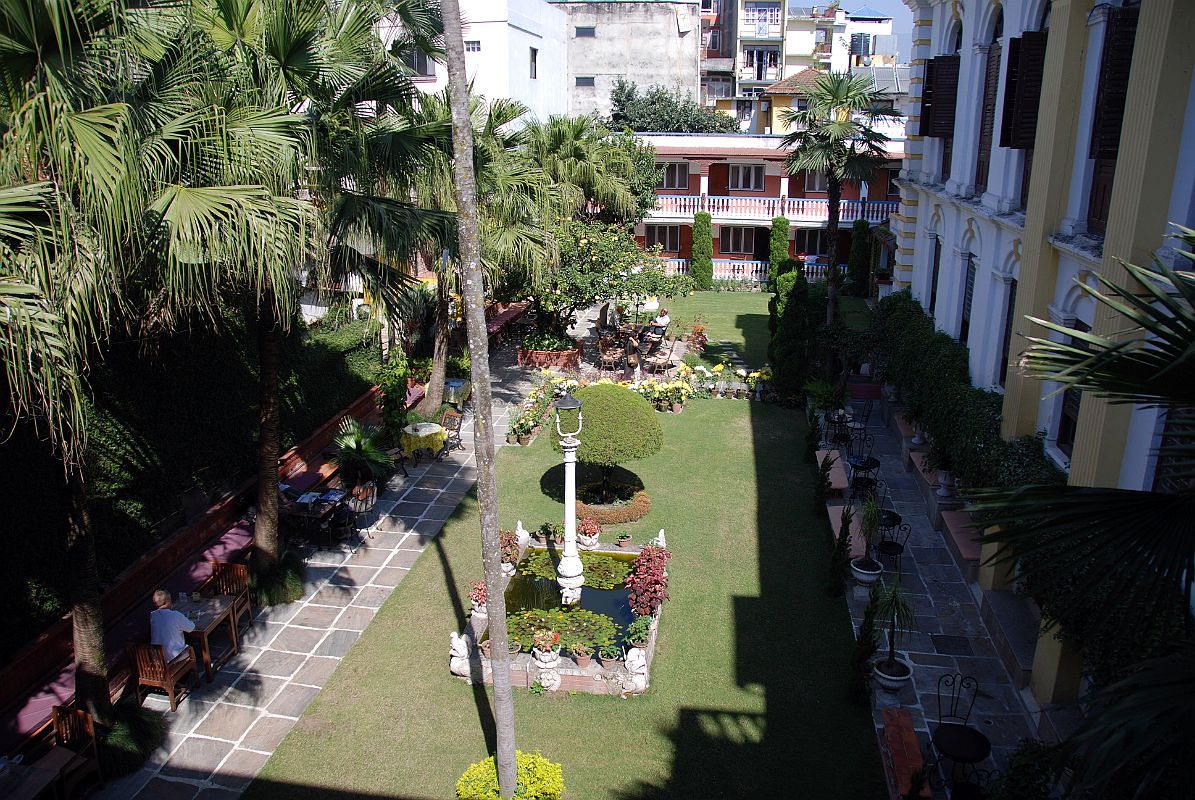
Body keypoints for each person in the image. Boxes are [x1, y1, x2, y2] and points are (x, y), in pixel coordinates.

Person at [150, 589, 195, 661]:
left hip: (159, 658)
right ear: (168, 601)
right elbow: (192, 628)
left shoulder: (153, 615)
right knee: (191, 648)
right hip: (173, 657)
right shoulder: (175, 615)